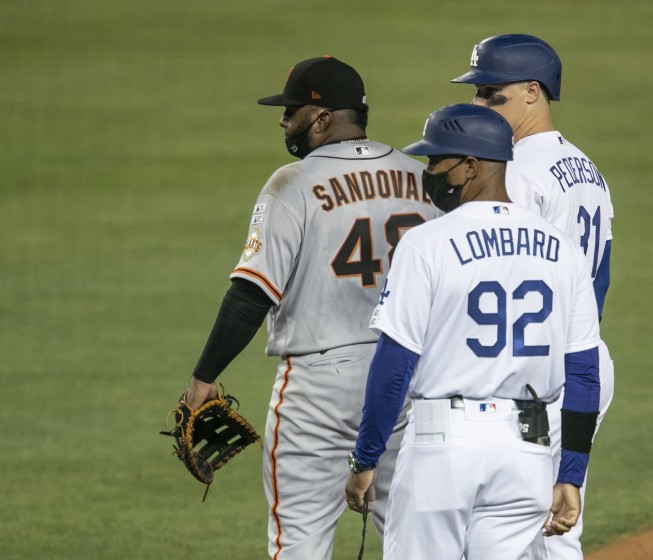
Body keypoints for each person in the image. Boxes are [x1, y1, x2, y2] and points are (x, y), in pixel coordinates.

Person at [176, 55, 441, 559]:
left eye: (291, 111)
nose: (282, 121)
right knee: (420, 546)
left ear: (323, 119)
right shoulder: (423, 178)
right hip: (407, 382)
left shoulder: (291, 183)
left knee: (297, 545)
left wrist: (202, 381)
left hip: (318, 392)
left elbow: (250, 295)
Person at [344, 103, 602, 560]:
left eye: (435, 162)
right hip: (528, 450)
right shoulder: (562, 249)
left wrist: (366, 459)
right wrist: (571, 474)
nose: (429, 173)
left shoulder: (425, 244)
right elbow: (583, 373)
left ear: (471, 166)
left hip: (443, 444)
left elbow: (393, 365)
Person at [450, 33, 616, 560]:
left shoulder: (516, 170)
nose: (479, 104)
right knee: (556, 528)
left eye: (490, 93)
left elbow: (497, 277)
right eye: (476, 93)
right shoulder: (586, 166)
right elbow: (601, 279)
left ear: (531, 92)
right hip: (585, 361)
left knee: (506, 532)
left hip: (539, 373)